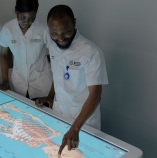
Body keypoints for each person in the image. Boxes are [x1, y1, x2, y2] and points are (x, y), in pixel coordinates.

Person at [36, 5, 108, 155]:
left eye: (66, 32)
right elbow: (58, 74)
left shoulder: (91, 52)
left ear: (74, 23)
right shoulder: (53, 47)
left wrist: (75, 128)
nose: (60, 38)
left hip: (83, 122)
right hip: (58, 114)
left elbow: (95, 94)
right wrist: (50, 96)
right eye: (54, 33)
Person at [0, 0, 52, 100]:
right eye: (22, 17)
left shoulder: (44, 29)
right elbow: (4, 54)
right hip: (18, 82)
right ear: (16, 12)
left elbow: (55, 55)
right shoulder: (8, 28)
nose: (26, 21)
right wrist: (5, 80)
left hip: (41, 83)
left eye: (31, 18)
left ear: (36, 13)